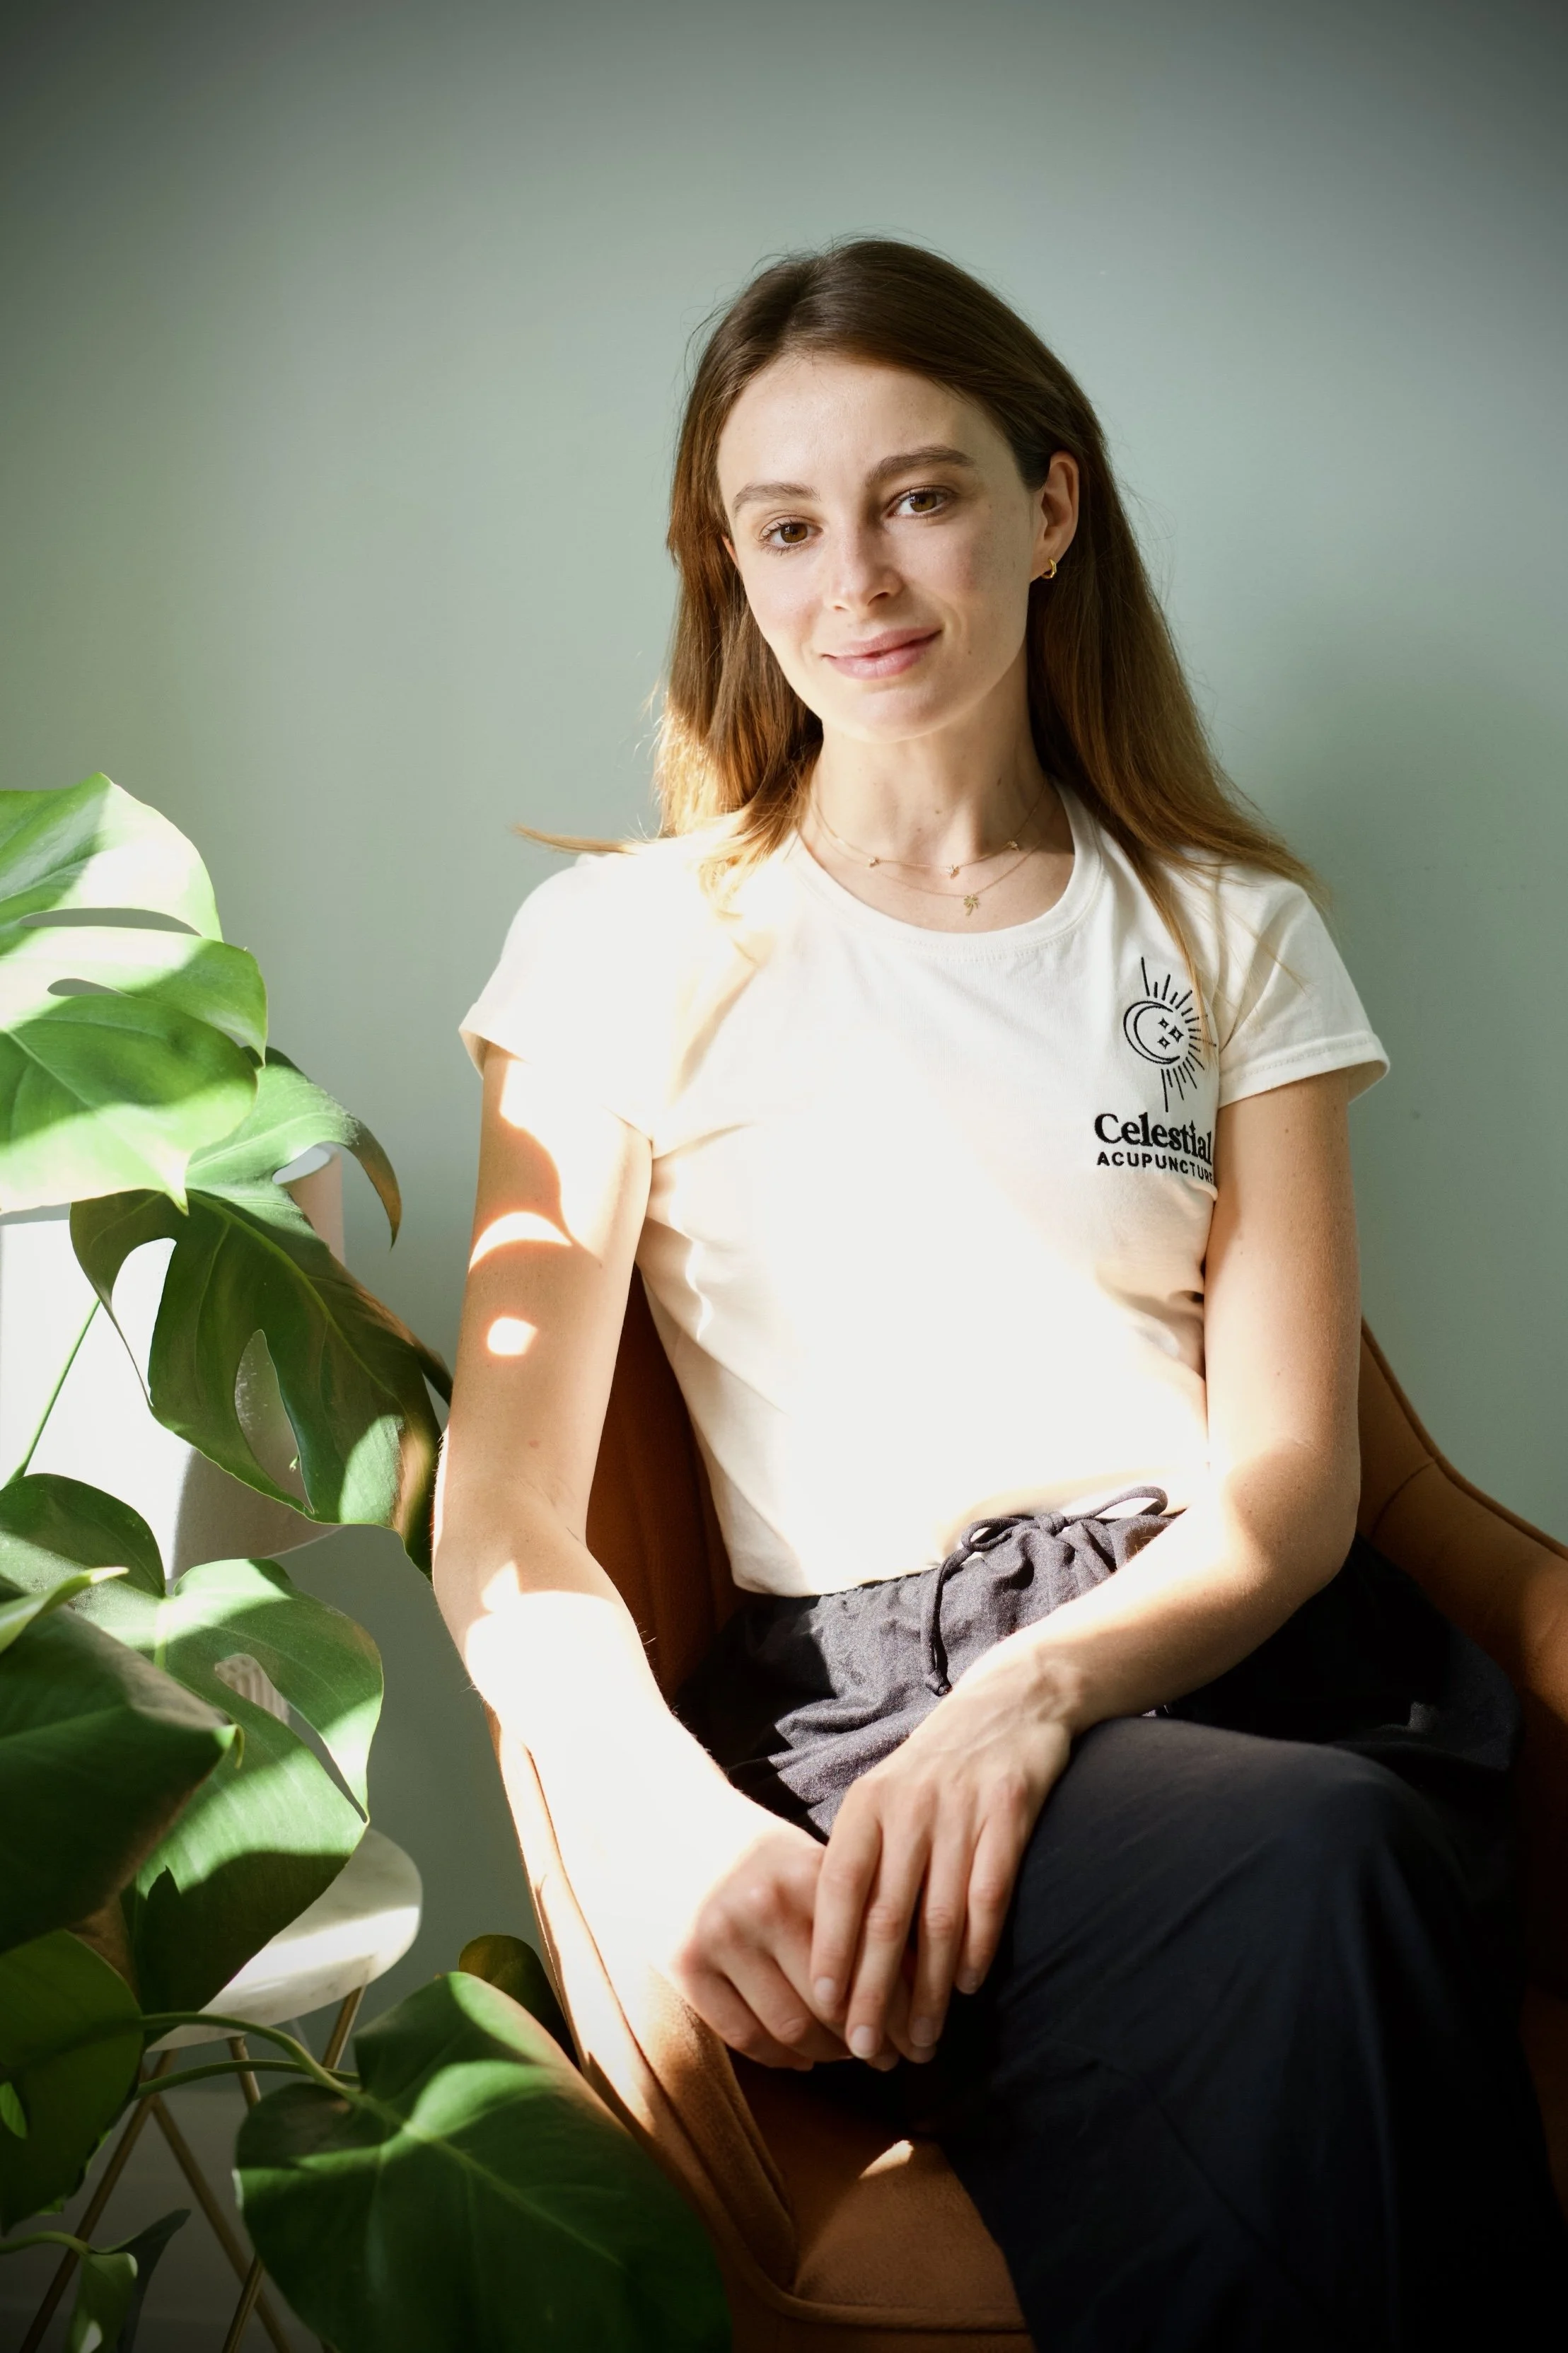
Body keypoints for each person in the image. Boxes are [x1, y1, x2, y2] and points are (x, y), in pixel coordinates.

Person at [433, 239, 1566, 2348]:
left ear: (1051, 509)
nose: (854, 573)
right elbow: (502, 1526)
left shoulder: (1232, 932)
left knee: (1333, 1851)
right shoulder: (630, 944)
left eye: (920, 494)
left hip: (1241, 1650)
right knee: (1323, 1883)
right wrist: (662, 1821)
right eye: (786, 523)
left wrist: (1040, 1696)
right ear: (731, 567)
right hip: (867, 1705)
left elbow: (1296, 1487)